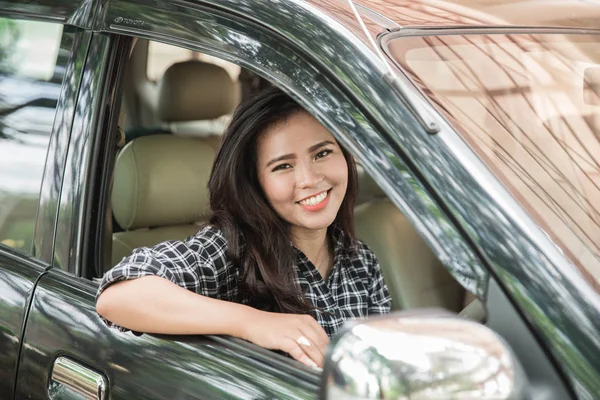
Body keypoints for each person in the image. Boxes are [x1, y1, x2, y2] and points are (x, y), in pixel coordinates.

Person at [96, 86, 391, 369]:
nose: (309, 179)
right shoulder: (233, 250)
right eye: (283, 166)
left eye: (322, 153)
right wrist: (253, 322)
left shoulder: (360, 260)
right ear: (255, 183)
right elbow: (119, 295)